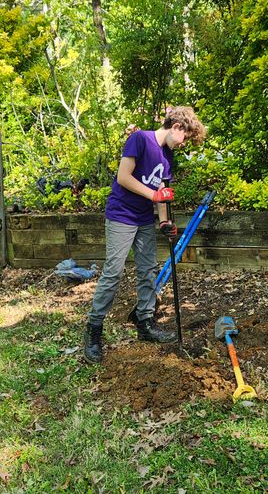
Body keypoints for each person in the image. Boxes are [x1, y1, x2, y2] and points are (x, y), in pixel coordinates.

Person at [82, 106, 206, 363]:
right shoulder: (140, 139)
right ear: (177, 127)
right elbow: (123, 177)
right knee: (114, 271)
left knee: (148, 270)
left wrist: (164, 222)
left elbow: (163, 191)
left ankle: (145, 323)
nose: (185, 144)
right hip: (121, 215)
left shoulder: (168, 156)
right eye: (186, 137)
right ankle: (94, 329)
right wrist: (153, 195)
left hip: (144, 219)